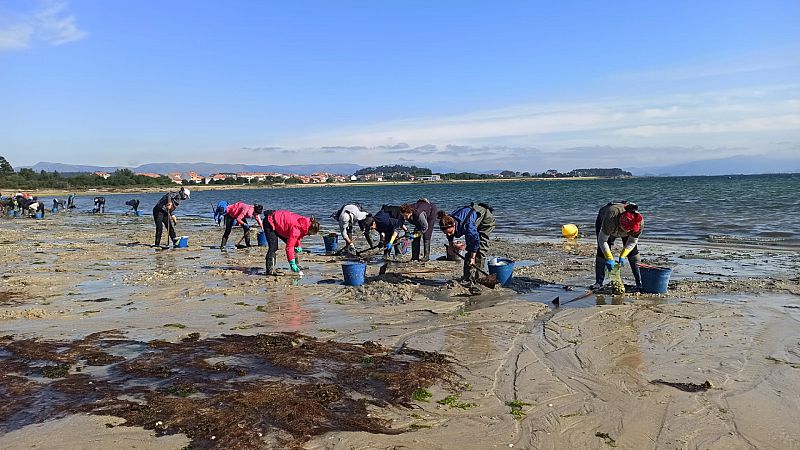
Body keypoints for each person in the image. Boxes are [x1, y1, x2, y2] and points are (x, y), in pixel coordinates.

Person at [591, 201, 644, 291]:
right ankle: (598, 282)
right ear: (620, 225)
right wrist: (609, 258)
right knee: (602, 251)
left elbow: (632, 241)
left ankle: (640, 282)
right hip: (605, 219)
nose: (629, 233)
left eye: (631, 231)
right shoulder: (611, 219)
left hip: (621, 223)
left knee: (633, 252)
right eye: (627, 231)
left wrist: (623, 255)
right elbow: (602, 240)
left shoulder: (639, 222)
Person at [438, 202, 496, 282]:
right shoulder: (448, 220)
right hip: (473, 219)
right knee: (469, 249)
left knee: (480, 250)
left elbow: (475, 241)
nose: (448, 234)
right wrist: (451, 246)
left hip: (485, 220)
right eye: (446, 233)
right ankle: (467, 277)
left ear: (454, 225)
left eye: (450, 232)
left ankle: (479, 279)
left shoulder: (468, 226)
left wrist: (472, 258)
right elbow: (449, 234)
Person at [263, 210, 320, 275]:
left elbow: (298, 235)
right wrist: (291, 263)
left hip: (281, 224)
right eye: (310, 234)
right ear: (309, 230)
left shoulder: (305, 223)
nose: (309, 235)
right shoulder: (297, 229)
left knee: (294, 244)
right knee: (273, 247)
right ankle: (270, 270)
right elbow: (289, 247)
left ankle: (297, 265)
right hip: (270, 222)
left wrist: (298, 245)